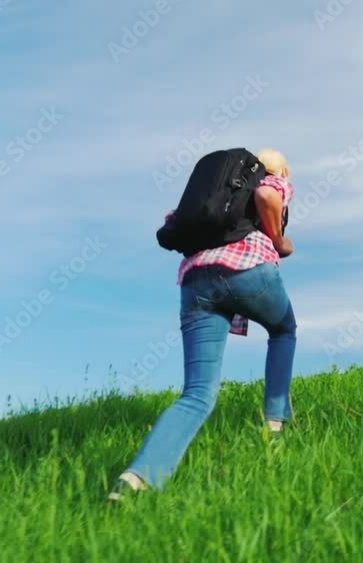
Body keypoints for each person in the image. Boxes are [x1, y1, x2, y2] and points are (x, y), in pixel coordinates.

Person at [109, 149, 297, 500]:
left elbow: (174, 221)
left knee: (197, 394)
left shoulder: (218, 190)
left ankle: (135, 480)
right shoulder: (271, 179)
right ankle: (275, 423)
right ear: (281, 171)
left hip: (196, 280)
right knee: (284, 330)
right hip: (248, 270)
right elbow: (267, 196)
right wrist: (279, 240)